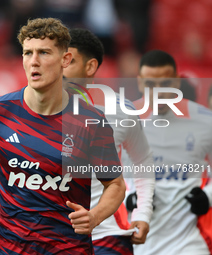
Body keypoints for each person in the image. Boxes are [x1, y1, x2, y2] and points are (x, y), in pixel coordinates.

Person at [0, 18, 126, 254]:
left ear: (65, 60)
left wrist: (95, 216)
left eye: (44, 52)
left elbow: (116, 185)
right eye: (28, 53)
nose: (34, 61)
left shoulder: (91, 122)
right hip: (9, 249)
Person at [63, 28, 155, 255]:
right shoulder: (30, 112)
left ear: (91, 66)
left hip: (107, 236)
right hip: (53, 237)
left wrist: (142, 213)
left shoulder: (120, 110)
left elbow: (143, 162)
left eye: (69, 61)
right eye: (58, 60)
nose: (60, 68)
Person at [132, 49, 212, 254]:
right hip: (144, 243)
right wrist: (128, 196)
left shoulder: (204, 121)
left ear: (177, 82)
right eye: (150, 84)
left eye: (165, 84)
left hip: (191, 241)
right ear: (139, 82)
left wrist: (208, 197)